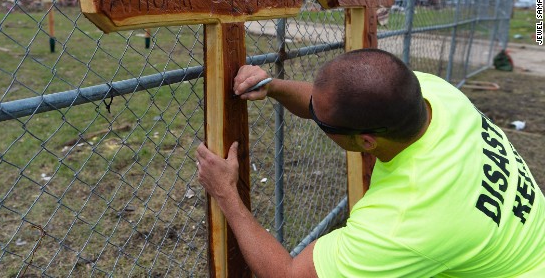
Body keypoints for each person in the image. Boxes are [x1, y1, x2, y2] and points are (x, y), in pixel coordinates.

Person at [195, 48, 545, 277]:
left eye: (322, 121)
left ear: (366, 141)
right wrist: (272, 86)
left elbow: (289, 274)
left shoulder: (404, 222)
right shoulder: (432, 93)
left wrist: (226, 193)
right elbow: (331, 103)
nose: (312, 112)